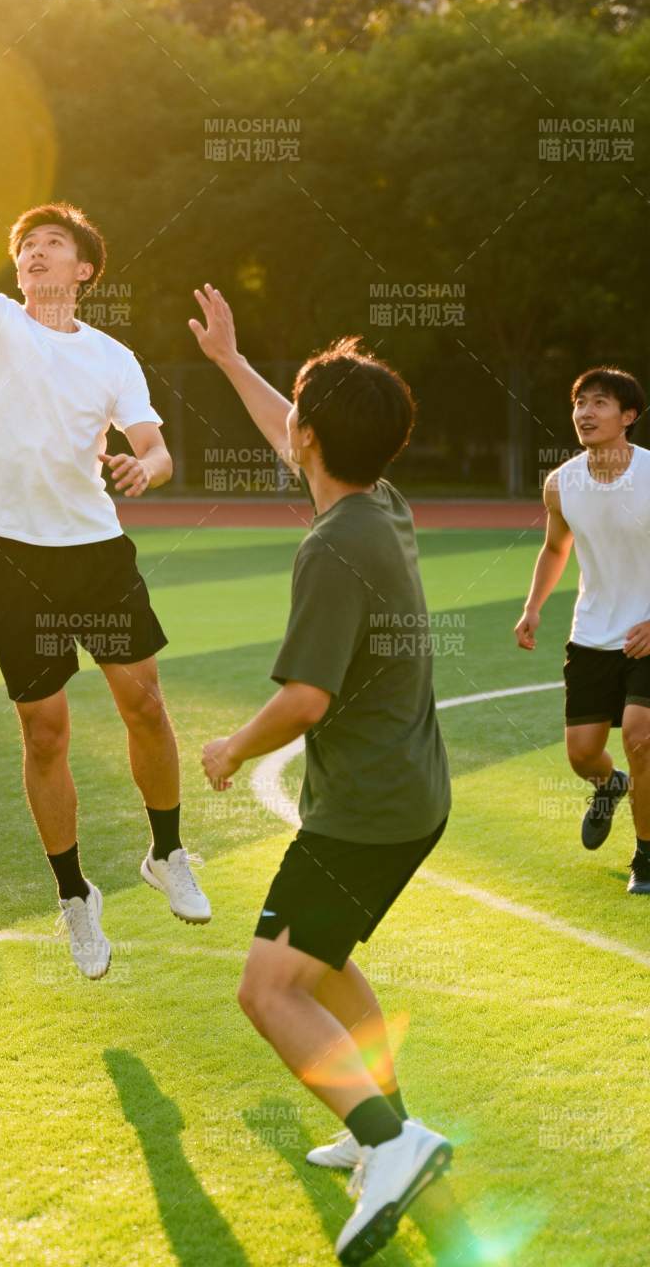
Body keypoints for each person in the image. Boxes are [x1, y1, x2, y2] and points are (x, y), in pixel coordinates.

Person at [0, 86, 210, 981]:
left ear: (82, 271)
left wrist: (139, 470)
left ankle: (166, 851)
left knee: (143, 703)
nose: (34, 254)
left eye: (53, 246)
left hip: (97, 554)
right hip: (16, 558)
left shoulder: (113, 357)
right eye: (26, 247)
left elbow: (156, 452)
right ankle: (76, 897)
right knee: (44, 733)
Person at [191, 286, 452, 1265]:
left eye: (293, 418)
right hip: (410, 795)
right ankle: (380, 1117)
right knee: (328, 963)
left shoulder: (333, 549)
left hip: (364, 810)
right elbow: (292, 429)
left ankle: (392, 1142)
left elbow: (304, 698)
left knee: (269, 990)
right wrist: (229, 359)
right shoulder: (380, 501)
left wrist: (228, 750)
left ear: (309, 436)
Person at [515, 366, 650, 895]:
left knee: (641, 737)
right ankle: (609, 785)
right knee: (582, 754)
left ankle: (646, 855)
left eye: (600, 403)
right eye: (580, 404)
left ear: (628, 416)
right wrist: (533, 608)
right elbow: (555, 548)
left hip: (645, 637)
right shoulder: (561, 483)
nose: (585, 414)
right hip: (592, 634)